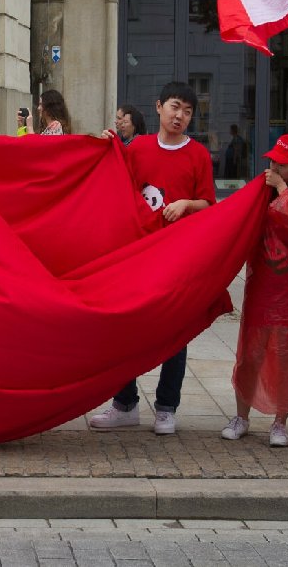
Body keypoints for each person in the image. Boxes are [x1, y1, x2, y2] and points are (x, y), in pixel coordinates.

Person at [89, 81, 215, 435]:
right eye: (175, 107)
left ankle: (166, 407)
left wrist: (186, 204)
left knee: (175, 333)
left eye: (188, 112)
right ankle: (124, 404)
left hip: (178, 258)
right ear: (159, 107)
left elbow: (208, 204)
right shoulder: (138, 148)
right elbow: (114, 181)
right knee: (124, 328)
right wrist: (102, 147)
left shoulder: (198, 156)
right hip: (137, 255)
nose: (180, 116)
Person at [222, 134, 288, 447]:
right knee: (250, 353)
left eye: (283, 163)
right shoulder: (260, 192)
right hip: (261, 285)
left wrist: (281, 190)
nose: (275, 166)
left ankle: (281, 421)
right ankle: (241, 416)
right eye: (273, 160)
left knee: (284, 354)